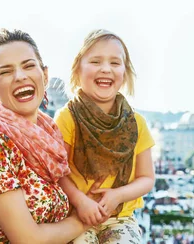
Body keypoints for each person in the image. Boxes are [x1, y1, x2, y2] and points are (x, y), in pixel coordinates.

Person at [0, 29, 87, 243]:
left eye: (28, 65)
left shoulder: (50, 139)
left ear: (45, 75)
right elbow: (28, 239)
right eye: (5, 71)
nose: (20, 76)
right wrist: (85, 220)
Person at [54, 29, 155, 244]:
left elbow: (146, 178)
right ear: (77, 70)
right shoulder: (67, 118)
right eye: (96, 61)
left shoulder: (137, 123)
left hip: (119, 218)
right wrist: (80, 201)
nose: (106, 69)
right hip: (75, 215)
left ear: (125, 73)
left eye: (115, 63)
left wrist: (118, 195)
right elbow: (58, 173)